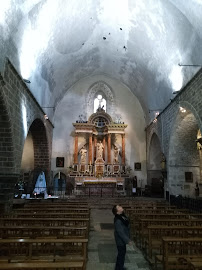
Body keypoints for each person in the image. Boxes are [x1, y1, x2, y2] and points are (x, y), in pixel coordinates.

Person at [112, 205, 133, 270]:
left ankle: (119, 267)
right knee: (121, 254)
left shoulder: (122, 216)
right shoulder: (118, 220)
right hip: (120, 240)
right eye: (119, 207)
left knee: (122, 254)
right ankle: (119, 268)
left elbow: (126, 223)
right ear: (117, 211)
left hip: (122, 240)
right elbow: (120, 232)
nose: (121, 207)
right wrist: (127, 240)